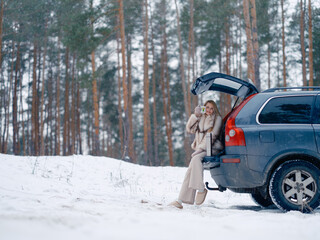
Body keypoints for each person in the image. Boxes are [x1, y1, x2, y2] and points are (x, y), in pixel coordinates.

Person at [169, 100, 223, 209]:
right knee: (191, 169)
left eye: (212, 108)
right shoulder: (201, 117)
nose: (209, 110)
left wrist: (200, 149)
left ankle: (201, 189)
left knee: (195, 160)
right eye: (207, 107)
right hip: (201, 148)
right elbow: (190, 129)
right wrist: (195, 115)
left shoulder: (217, 119)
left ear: (214, 109)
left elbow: (212, 135)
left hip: (211, 147)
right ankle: (180, 200)